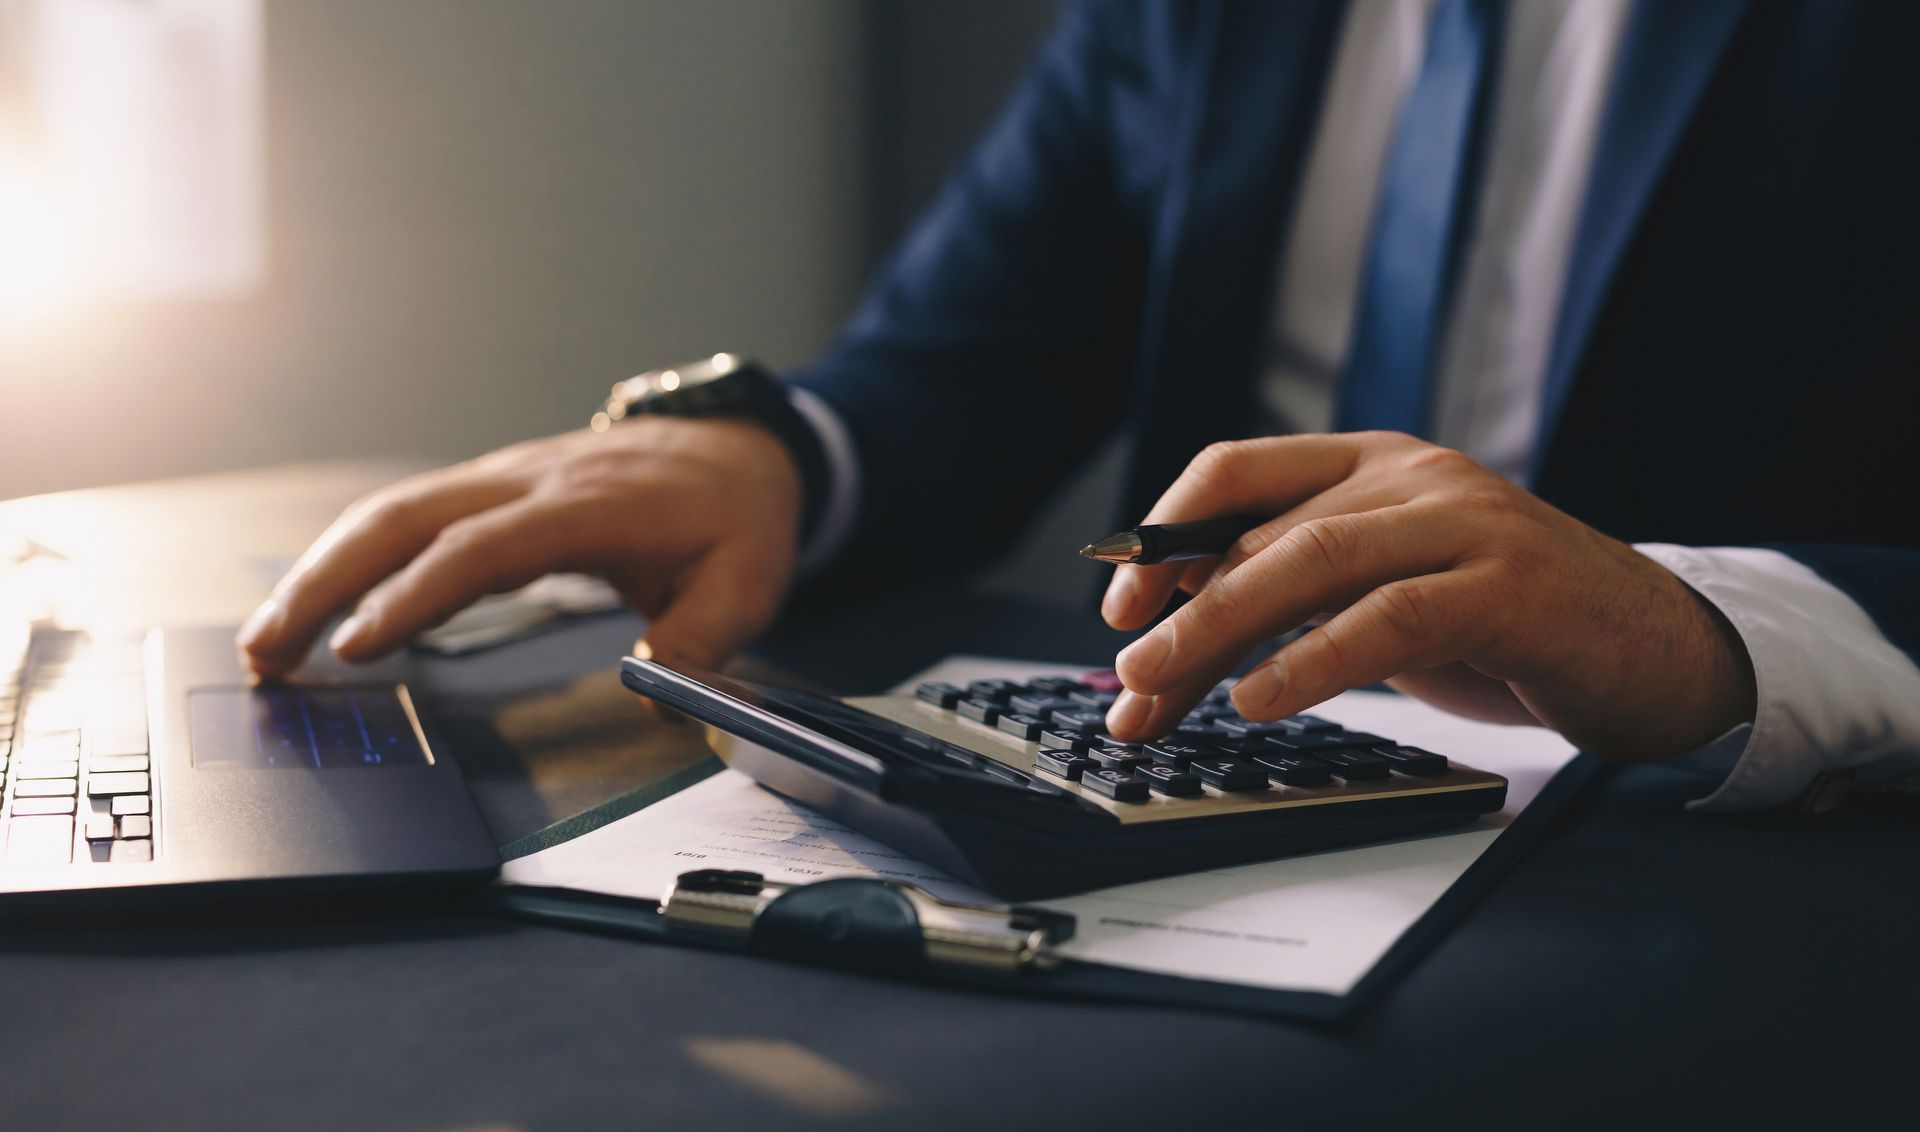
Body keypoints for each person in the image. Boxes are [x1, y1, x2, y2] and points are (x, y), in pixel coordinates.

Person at [240, 0, 1920, 811]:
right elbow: (975, 359)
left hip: (1723, 879)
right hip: (1189, 793)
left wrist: (1705, 631)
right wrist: (777, 457)